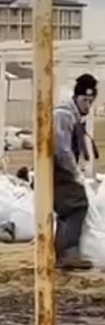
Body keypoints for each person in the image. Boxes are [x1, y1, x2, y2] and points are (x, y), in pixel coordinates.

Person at [52, 73, 97, 270]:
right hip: (60, 170)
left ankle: (62, 252)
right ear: (75, 97)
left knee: (66, 210)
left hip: (60, 170)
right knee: (77, 205)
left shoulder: (72, 115)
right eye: (84, 100)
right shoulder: (64, 115)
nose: (87, 105)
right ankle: (68, 253)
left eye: (90, 101)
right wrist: (75, 173)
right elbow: (62, 149)